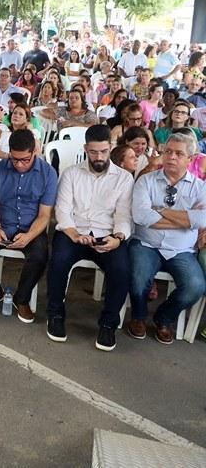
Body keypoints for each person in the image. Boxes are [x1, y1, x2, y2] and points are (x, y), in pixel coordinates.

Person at [45, 125, 133, 351]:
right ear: (85, 149)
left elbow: (124, 214)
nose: (99, 157)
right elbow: (62, 211)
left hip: (107, 235)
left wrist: (119, 237)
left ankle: (108, 324)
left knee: (122, 269)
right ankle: (55, 315)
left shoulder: (124, 178)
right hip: (74, 232)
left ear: (111, 148)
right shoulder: (71, 174)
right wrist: (75, 234)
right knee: (58, 260)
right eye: (94, 152)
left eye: (103, 151)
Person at [0, 129, 58, 323]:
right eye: (14, 159)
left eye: (24, 160)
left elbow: (44, 215)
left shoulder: (48, 174)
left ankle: (22, 297)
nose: (18, 164)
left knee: (40, 255)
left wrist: (29, 236)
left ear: (34, 152)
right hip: (2, 223)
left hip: (31, 227)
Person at [127, 132, 206, 345]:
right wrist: (187, 218)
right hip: (146, 243)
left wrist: (159, 210)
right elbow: (141, 216)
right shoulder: (146, 181)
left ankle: (164, 318)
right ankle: (138, 316)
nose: (171, 157)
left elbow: (203, 219)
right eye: (168, 151)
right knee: (137, 277)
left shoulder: (200, 187)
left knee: (195, 286)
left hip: (181, 250)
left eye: (179, 154)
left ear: (190, 159)